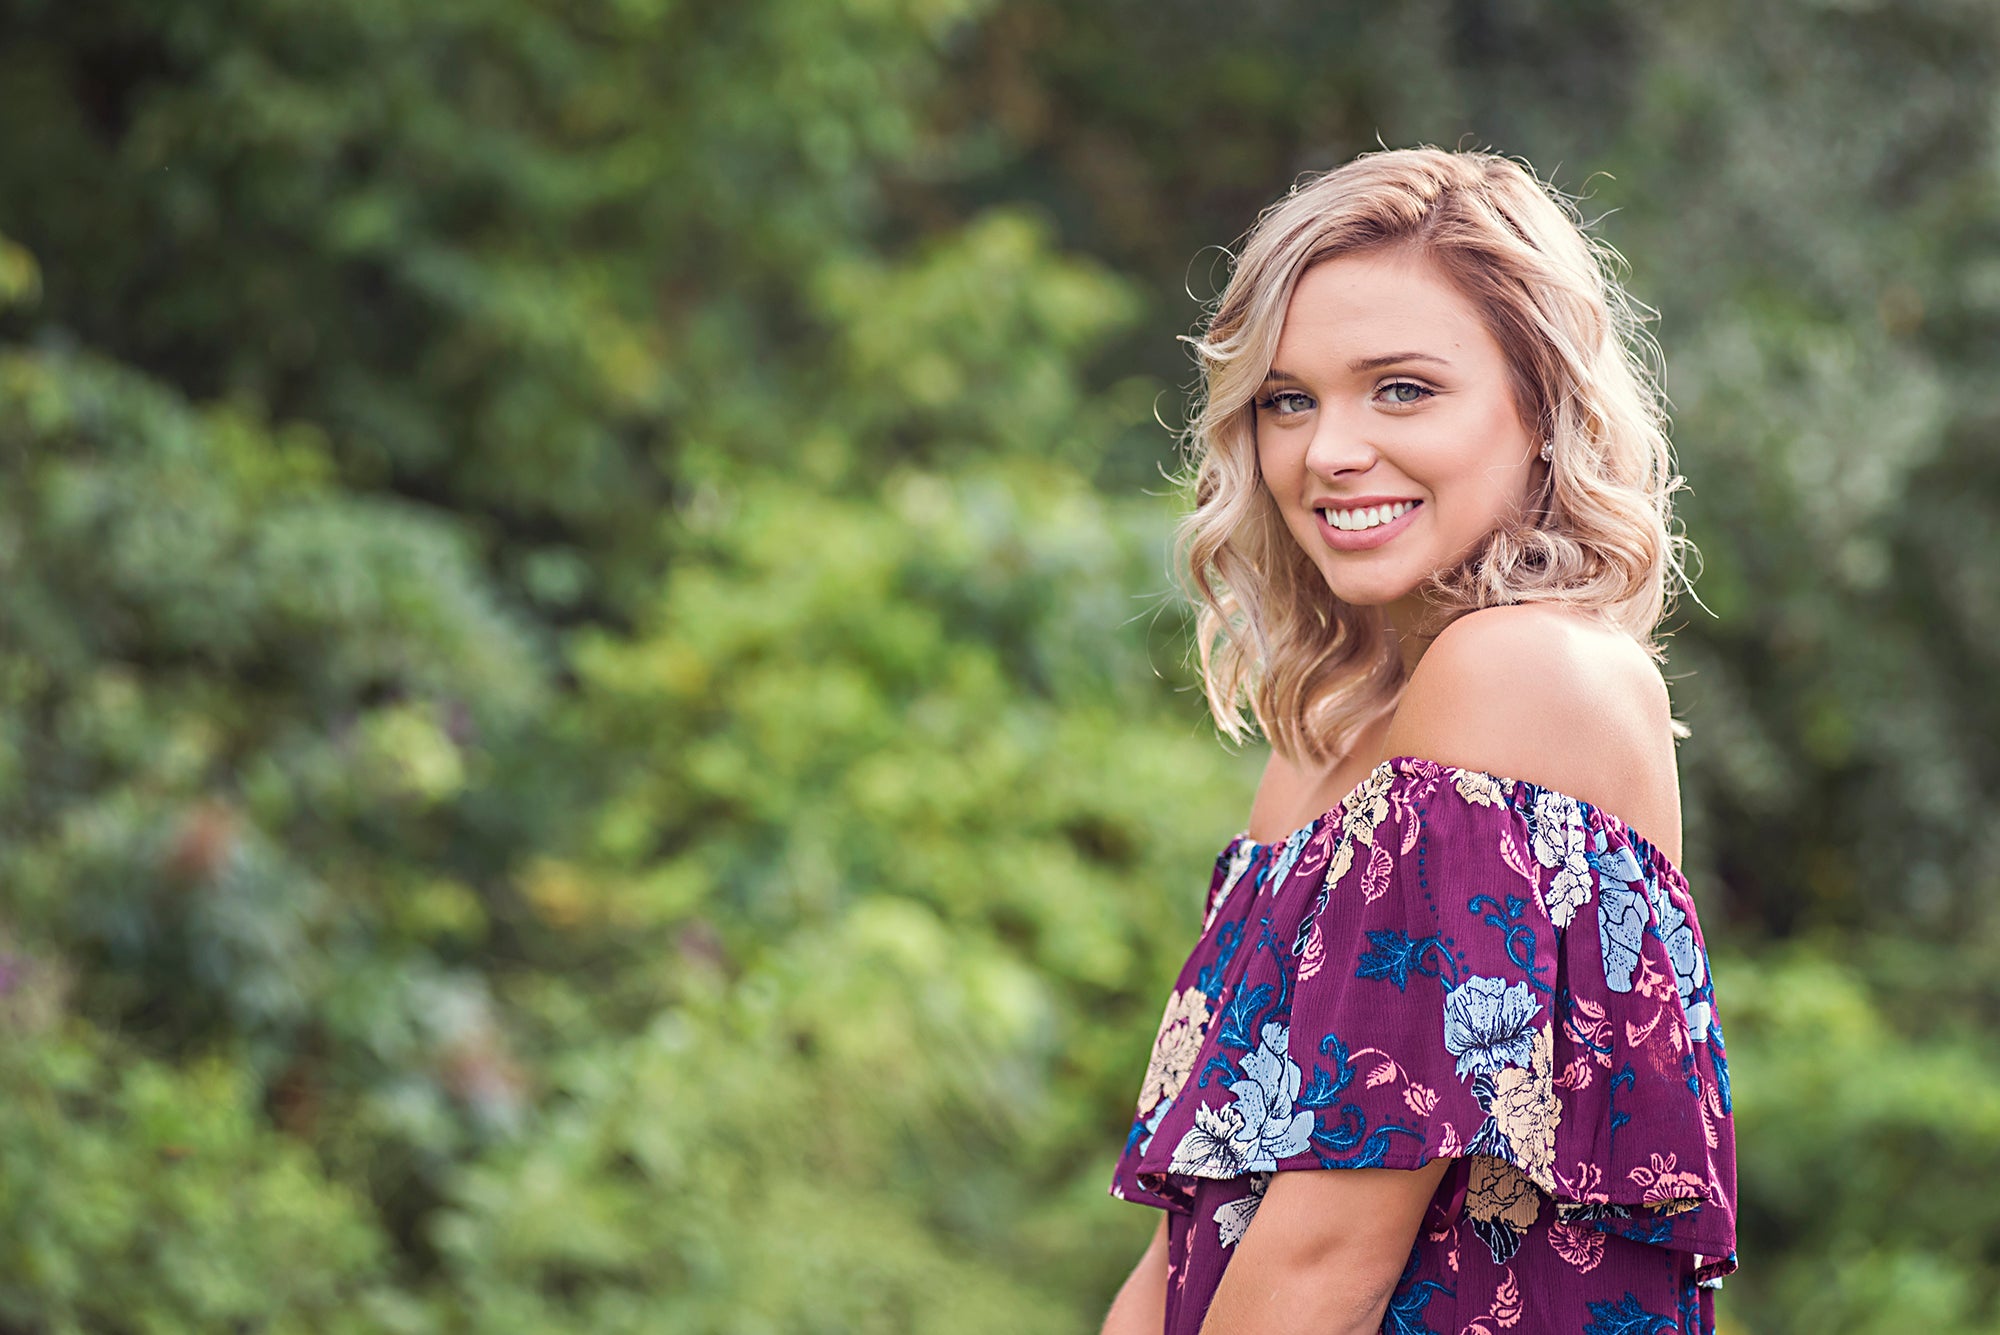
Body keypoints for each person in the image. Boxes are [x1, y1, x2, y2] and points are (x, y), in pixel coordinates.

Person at [1100, 147, 1737, 1335]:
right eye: (1287, 398)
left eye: (1399, 389)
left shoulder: (1521, 673)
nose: (1327, 450)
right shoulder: (1324, 745)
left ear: (1541, 409)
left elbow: (1325, 1267)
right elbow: (1192, 1242)